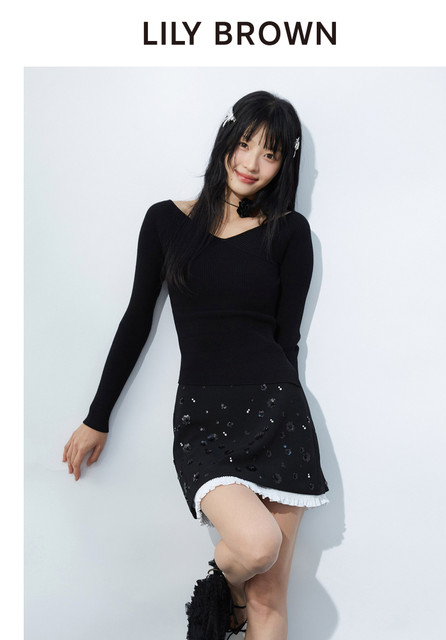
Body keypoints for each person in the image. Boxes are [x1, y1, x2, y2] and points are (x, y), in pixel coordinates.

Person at [62, 90, 329, 640]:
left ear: (285, 164)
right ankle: (222, 588)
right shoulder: (166, 221)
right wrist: (97, 415)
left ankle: (228, 596)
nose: (251, 163)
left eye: (271, 154)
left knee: (269, 595)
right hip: (204, 419)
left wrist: (286, 410)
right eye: (246, 143)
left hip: (278, 413)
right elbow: (137, 319)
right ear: (227, 138)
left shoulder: (289, 231)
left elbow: (288, 341)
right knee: (256, 545)